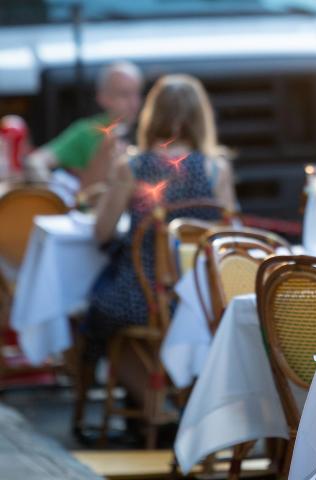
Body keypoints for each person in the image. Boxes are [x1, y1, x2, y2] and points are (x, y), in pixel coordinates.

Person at [83, 74, 235, 421]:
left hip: (147, 294)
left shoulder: (132, 166)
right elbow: (230, 235)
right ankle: (183, 403)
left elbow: (101, 232)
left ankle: (155, 410)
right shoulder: (216, 169)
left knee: (97, 318)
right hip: (199, 296)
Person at [25, 61, 143, 192]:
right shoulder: (87, 132)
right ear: (103, 97)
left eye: (137, 93)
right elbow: (35, 161)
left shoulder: (147, 131)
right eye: (124, 94)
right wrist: (55, 195)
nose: (134, 103)